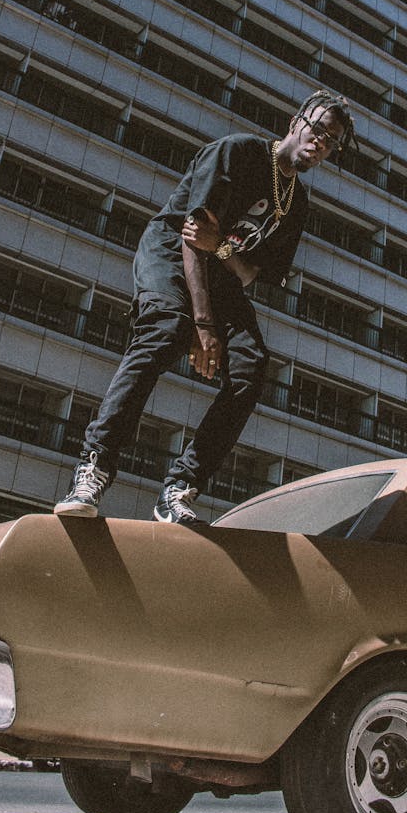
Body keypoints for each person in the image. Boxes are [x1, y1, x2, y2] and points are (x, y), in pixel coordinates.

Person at [54, 90, 356, 522]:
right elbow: (194, 238)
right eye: (318, 130)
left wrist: (225, 259)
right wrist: (202, 323)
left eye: (331, 142)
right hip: (171, 258)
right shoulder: (239, 153)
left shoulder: (296, 204)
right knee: (166, 332)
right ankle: (94, 467)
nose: (321, 143)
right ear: (296, 122)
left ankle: (180, 487)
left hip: (219, 278)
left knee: (252, 368)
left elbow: (251, 274)